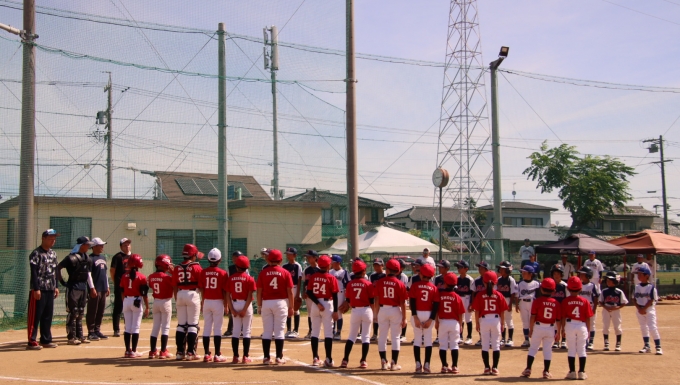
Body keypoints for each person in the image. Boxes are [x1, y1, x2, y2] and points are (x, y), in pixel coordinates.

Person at [56, 236, 97, 345]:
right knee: (73, 312)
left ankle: (80, 336)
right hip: (73, 287)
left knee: (81, 312)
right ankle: (71, 337)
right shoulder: (71, 258)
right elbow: (58, 267)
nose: (88, 246)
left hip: (83, 287)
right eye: (86, 244)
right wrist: (62, 282)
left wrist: (91, 287)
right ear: (81, 245)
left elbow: (88, 274)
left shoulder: (87, 258)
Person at [256, 249, 294, 365]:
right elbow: (290, 292)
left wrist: (259, 305)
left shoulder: (263, 272)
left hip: (267, 302)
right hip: (281, 302)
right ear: (281, 260)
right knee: (279, 331)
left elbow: (259, 291)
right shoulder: (285, 272)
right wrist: (291, 307)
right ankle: (279, 357)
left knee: (267, 331)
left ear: (268, 259)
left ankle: (266, 358)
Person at [520, 278, 561, 379]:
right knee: (547, 350)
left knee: (533, 348)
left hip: (538, 327)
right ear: (553, 291)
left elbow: (533, 316)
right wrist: (559, 332)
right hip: (550, 328)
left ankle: (528, 369)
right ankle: (546, 371)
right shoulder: (556, 303)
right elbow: (558, 320)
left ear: (541, 289)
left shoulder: (537, 301)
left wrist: (531, 329)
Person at [27, 229, 60, 350]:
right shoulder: (36, 253)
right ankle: (32, 340)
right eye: (50, 238)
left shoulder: (53, 253)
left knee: (47, 315)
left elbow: (56, 271)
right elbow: (34, 272)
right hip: (39, 289)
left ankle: (46, 339)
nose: (53, 240)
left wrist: (56, 286)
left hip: (50, 288)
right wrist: (36, 288)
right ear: (43, 238)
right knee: (35, 316)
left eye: (54, 238)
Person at [339, 259, 375, 368]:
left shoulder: (350, 284)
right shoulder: (368, 284)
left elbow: (349, 300)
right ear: (364, 271)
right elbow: (372, 301)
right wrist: (374, 313)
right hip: (366, 310)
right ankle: (363, 360)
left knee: (352, 336)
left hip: (355, 310)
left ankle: (345, 360)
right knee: (366, 336)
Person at [472, 271, 507, 376]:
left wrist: (477, 323)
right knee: (496, 344)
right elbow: (502, 310)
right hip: (496, 319)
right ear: (496, 282)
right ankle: (495, 368)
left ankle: (487, 368)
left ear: (483, 281)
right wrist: (502, 323)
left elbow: (477, 310)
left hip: (484, 320)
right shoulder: (498, 294)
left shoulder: (480, 295)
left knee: (485, 345)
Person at [374, 259, 408, 371]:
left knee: (382, 336)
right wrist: (404, 318)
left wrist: (376, 313)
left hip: (383, 310)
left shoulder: (380, 282)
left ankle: (383, 362)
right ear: (398, 271)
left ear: (387, 270)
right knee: (395, 337)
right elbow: (403, 302)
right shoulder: (400, 283)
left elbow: (377, 299)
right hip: (395, 310)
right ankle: (394, 363)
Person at [306, 255, 340, 367]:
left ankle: (315, 358)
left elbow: (309, 292)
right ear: (328, 265)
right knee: (328, 333)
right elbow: (335, 296)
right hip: (327, 304)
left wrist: (317, 303)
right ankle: (328, 359)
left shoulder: (314, 276)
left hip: (316, 305)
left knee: (315, 332)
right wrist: (335, 310)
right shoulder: (331, 278)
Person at [173, 244, 204, 361]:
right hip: (192, 294)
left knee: (181, 325)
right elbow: (201, 285)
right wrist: (202, 299)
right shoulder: (196, 267)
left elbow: (174, 286)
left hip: (180, 294)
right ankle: (191, 352)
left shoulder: (177, 267)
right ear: (193, 255)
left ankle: (180, 352)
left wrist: (177, 298)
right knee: (192, 325)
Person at [561, 276, 593, 380]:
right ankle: (582, 372)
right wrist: (588, 330)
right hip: (582, 325)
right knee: (581, 349)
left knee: (571, 349)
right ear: (580, 289)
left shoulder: (565, 301)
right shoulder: (585, 301)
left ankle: (572, 372)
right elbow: (588, 317)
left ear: (568, 289)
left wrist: (562, 329)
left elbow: (563, 317)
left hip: (570, 325)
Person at [199, 248, 229, 363]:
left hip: (207, 300)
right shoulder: (222, 273)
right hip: (218, 301)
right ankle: (217, 354)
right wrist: (226, 305)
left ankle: (206, 354)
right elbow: (225, 291)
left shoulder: (203, 272)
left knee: (207, 328)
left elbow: (202, 288)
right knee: (217, 328)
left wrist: (203, 301)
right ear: (220, 260)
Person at [227, 254, 256, 363]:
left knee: (235, 331)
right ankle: (245, 356)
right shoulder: (249, 279)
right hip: (246, 304)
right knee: (246, 331)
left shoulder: (231, 278)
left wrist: (232, 309)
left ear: (237, 267)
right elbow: (250, 296)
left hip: (234, 303)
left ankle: (235, 356)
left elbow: (227, 295)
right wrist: (244, 309)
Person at [409, 264, 438, 374]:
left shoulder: (415, 286)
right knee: (428, 340)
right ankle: (427, 365)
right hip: (429, 314)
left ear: (421, 274)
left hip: (417, 313)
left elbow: (412, 303)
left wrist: (415, 316)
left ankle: (417, 364)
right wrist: (431, 319)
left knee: (417, 339)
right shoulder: (434, 288)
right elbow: (435, 305)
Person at [434, 273, 465, 374]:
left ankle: (444, 366)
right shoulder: (457, 297)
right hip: (454, 322)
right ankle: (455, 366)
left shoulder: (440, 295)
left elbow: (437, 310)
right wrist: (460, 324)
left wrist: (437, 321)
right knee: (454, 345)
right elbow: (460, 313)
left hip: (443, 321)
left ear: (445, 284)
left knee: (442, 345)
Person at [119, 254, 148, 358]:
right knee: (135, 327)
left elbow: (122, 291)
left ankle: (127, 350)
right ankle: (134, 351)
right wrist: (147, 307)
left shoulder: (124, 276)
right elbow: (144, 294)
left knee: (127, 327)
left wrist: (124, 301)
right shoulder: (142, 277)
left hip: (126, 300)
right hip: (136, 300)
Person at [149, 255, 174, 359]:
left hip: (156, 302)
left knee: (155, 327)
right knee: (165, 327)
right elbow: (175, 282)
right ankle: (163, 351)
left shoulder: (151, 276)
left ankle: (153, 351)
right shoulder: (167, 277)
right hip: (166, 302)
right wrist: (173, 272)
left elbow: (151, 285)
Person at [634, 266, 662, 355]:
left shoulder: (651, 287)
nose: (638, 276)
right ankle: (647, 346)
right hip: (640, 309)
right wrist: (639, 309)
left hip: (649, 309)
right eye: (638, 274)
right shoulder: (637, 287)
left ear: (646, 276)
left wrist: (644, 309)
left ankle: (658, 347)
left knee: (652, 327)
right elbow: (634, 299)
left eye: (640, 274)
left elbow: (651, 300)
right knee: (643, 327)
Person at [86, 237, 109, 341]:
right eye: (100, 245)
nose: (102, 247)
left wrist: (107, 286)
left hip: (103, 288)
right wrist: (92, 288)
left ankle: (97, 329)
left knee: (100, 310)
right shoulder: (89, 258)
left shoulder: (103, 258)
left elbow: (105, 273)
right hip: (95, 289)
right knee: (92, 310)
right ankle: (91, 331)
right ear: (94, 246)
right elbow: (88, 274)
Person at [599, 271, 628, 352]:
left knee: (617, 326)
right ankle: (606, 343)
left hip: (616, 310)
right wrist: (605, 307)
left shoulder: (619, 292)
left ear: (615, 281)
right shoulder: (604, 291)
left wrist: (616, 308)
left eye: (610, 280)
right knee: (605, 326)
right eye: (607, 280)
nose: (608, 281)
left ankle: (618, 343)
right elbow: (600, 301)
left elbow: (624, 302)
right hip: (606, 309)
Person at [224, 250, 249, 338]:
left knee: (243, 312)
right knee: (232, 311)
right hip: (233, 292)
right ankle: (230, 329)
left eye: (237, 258)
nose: (235, 260)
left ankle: (242, 329)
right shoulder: (231, 268)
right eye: (234, 258)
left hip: (242, 292)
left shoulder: (245, 268)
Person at [110, 238, 132, 337]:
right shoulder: (117, 257)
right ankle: (116, 329)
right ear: (120, 247)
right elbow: (112, 271)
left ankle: (128, 328)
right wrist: (116, 282)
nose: (127, 246)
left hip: (131, 286)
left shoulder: (132, 257)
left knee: (129, 307)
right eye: (124, 245)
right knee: (118, 307)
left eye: (128, 245)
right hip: (120, 286)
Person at [577, 266, 600, 350]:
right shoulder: (579, 285)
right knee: (582, 324)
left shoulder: (592, 286)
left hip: (590, 306)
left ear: (588, 275)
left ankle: (591, 342)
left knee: (591, 325)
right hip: (581, 307)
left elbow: (596, 297)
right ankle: (585, 341)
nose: (581, 276)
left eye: (583, 274)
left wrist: (594, 309)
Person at [516, 265, 539, 348]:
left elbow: (539, 295)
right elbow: (517, 295)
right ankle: (526, 340)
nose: (522, 274)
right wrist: (517, 304)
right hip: (523, 303)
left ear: (530, 274)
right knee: (525, 322)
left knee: (533, 322)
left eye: (524, 272)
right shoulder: (520, 283)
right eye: (522, 272)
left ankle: (534, 340)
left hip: (533, 303)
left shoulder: (536, 283)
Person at [282, 247, 303, 338]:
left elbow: (299, 280)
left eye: (290, 254)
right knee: (288, 309)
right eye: (287, 254)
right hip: (286, 289)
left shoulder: (298, 266)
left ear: (295, 255)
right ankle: (289, 330)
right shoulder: (284, 266)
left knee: (295, 310)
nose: (288, 255)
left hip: (294, 288)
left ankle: (296, 330)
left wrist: (297, 294)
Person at [496, 261, 517, 347]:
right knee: (501, 320)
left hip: (508, 299)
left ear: (507, 270)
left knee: (509, 320)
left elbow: (513, 293)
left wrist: (510, 304)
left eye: (503, 269)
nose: (501, 270)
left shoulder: (511, 280)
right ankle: (503, 338)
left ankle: (510, 339)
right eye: (500, 268)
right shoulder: (499, 280)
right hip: (500, 300)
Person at [329, 254, 350, 340]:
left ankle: (338, 332)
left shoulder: (344, 272)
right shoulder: (330, 272)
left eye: (333, 262)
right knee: (332, 312)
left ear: (338, 263)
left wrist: (347, 299)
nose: (331, 263)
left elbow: (348, 285)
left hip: (340, 293)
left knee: (339, 313)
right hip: (331, 294)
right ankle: (332, 331)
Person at [455, 260, 475, 345]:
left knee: (468, 318)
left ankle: (469, 337)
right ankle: (460, 336)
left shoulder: (469, 279)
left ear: (466, 269)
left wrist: (471, 303)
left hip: (467, 298)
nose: (458, 269)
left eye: (460, 267)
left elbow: (473, 292)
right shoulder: (457, 279)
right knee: (460, 318)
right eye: (458, 267)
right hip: (459, 298)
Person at [549, 264, 569, 349]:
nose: (556, 276)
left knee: (564, 325)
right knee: (555, 325)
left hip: (563, 307)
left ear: (561, 275)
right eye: (554, 274)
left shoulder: (564, 285)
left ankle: (563, 340)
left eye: (558, 274)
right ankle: (556, 341)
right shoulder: (551, 285)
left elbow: (567, 297)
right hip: (554, 308)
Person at [302, 250, 320, 340]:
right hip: (309, 295)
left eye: (310, 257)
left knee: (320, 314)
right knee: (310, 313)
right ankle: (310, 331)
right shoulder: (307, 269)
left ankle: (319, 332)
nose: (308, 258)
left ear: (315, 258)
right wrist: (303, 292)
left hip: (318, 295)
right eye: (307, 257)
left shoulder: (320, 269)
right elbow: (305, 282)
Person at [369, 258, 386, 341]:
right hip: (375, 298)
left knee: (384, 317)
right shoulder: (372, 276)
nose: (376, 267)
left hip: (384, 299)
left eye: (378, 265)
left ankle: (384, 335)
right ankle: (375, 334)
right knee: (375, 316)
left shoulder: (385, 275)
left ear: (382, 266)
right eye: (375, 265)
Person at [397, 259, 410, 343]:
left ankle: (403, 335)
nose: (401, 268)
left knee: (403, 317)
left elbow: (405, 289)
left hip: (401, 299)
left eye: (402, 267)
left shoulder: (404, 277)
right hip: (393, 300)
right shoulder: (391, 275)